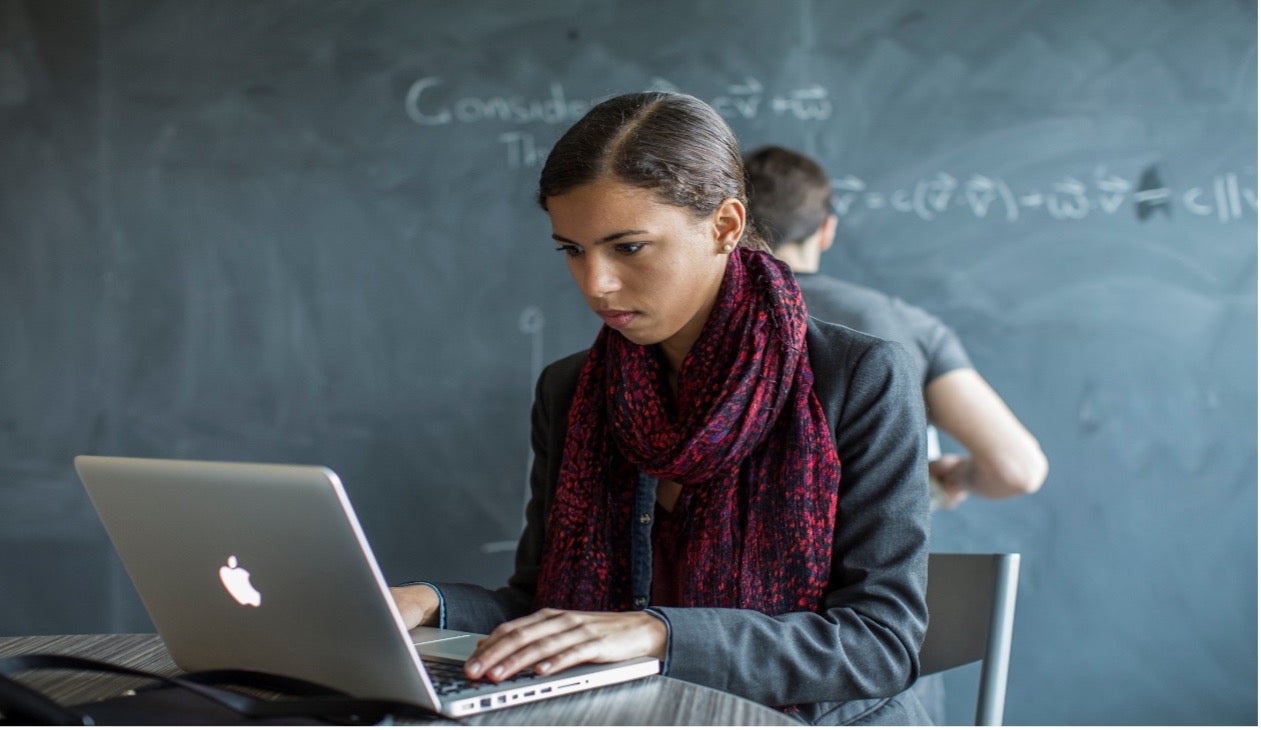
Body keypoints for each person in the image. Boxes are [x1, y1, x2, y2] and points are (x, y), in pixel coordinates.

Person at [390, 92, 933, 725]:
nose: (596, 284)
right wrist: (428, 603)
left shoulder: (858, 376)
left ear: (726, 226)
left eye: (629, 248)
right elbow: (545, 607)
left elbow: (879, 646)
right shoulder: (571, 390)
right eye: (572, 250)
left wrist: (659, 634)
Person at [743, 145, 1048, 510]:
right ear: (827, 230)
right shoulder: (906, 326)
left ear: (732, 224)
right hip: (867, 559)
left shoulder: (689, 321)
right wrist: (954, 476)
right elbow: (1017, 469)